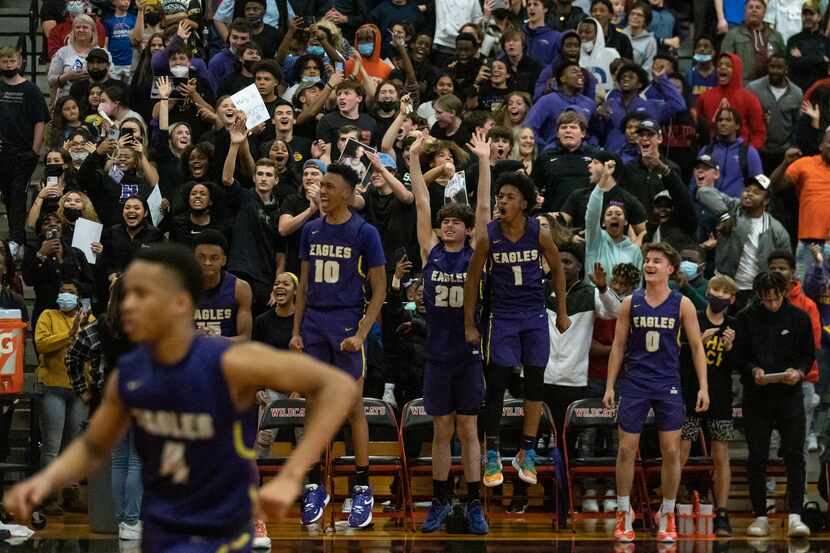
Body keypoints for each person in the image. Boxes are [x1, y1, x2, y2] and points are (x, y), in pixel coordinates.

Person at [4, 243, 360, 550]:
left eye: (143, 295)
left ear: (179, 302)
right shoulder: (129, 374)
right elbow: (93, 446)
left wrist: (292, 474)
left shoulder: (231, 360)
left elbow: (339, 387)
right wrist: (42, 483)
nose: (128, 305)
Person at [290, 163, 387, 529]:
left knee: (351, 406)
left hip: (346, 320)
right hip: (314, 320)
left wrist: (362, 333)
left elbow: (380, 289)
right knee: (311, 405)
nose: (322, 190)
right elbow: (302, 284)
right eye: (320, 185)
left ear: (347, 192)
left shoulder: (364, 232)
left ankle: (362, 486)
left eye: (329, 185)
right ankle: (316, 481)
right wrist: (297, 329)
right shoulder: (311, 230)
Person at [463, 171, 570, 489]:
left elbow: (559, 271)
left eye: (509, 196)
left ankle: (526, 450)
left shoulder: (538, 232)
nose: (502, 201)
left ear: (524, 203)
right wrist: (470, 324)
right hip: (502, 316)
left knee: (535, 383)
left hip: (535, 314)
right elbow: (472, 282)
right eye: (500, 196)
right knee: (496, 383)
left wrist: (562, 312)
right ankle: (493, 451)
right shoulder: (488, 235)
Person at [408, 130, 491, 534]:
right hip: (437, 353)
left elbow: (484, 207)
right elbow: (422, 200)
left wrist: (485, 161)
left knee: (469, 429)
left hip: (468, 352)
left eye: (457, 223)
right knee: (442, 429)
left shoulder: (476, 252)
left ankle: (475, 503)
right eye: (447, 224)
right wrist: (412, 159)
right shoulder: (431, 252)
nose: (450, 228)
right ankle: (439, 501)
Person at [603, 241, 710, 543]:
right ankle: (624, 512)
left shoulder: (682, 304)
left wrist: (703, 386)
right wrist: (611, 385)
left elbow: (697, 347)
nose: (650, 265)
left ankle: (668, 513)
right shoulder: (630, 302)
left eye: (657, 261)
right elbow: (618, 347)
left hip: (668, 382)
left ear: (670, 269)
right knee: (625, 448)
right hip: (635, 381)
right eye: (647, 260)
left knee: (672, 450)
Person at [734, 271, 814, 538]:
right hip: (757, 397)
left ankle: (795, 515)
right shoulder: (745, 318)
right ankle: (760, 515)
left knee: (794, 455)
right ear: (758, 295)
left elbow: (808, 356)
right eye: (766, 299)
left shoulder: (799, 318)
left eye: (776, 298)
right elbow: (739, 357)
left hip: (790, 395)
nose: (772, 303)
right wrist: (754, 370)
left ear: (784, 292)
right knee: (757, 456)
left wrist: (799, 373)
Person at [65, 277, 140, 539]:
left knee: (119, 461)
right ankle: (132, 520)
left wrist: (82, 389)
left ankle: (121, 521)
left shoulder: (100, 326)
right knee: (137, 460)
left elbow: (71, 355)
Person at [679, 274, 738, 537]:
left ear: (732, 298)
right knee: (680, 450)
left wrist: (730, 349)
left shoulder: (734, 326)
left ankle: (722, 512)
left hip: (721, 398)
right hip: (689, 394)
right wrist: (697, 343)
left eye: (724, 292)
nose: (718, 295)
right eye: (714, 289)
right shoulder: (694, 320)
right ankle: (673, 503)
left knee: (721, 454)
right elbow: (678, 358)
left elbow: (739, 367)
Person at [34, 279, 95, 516]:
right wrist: (68, 334)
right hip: (53, 387)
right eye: (62, 291)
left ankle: (71, 495)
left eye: (70, 292)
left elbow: (95, 349)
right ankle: (48, 497)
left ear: (78, 297)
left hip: (80, 389)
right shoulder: (47, 315)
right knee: (51, 446)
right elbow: (41, 344)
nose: (65, 295)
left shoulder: (89, 319)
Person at [696, 174, 792, 311]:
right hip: (725, 286)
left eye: (756, 192)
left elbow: (786, 263)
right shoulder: (733, 208)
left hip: (756, 291)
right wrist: (724, 216)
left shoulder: (776, 229)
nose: (749, 194)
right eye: (747, 190)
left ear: (766, 201)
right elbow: (703, 192)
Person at [0, 46, 49, 257]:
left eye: (12, 61)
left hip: (23, 153)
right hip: (2, 152)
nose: (9, 65)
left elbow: (40, 121)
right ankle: (13, 238)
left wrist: (34, 150)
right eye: (4, 61)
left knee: (17, 195)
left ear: (20, 62)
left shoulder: (31, 90)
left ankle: (17, 240)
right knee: (8, 196)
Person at [584, 151, 644, 277]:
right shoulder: (595, 241)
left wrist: (638, 243)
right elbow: (592, 213)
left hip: (626, 296)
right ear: (603, 223)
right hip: (594, 293)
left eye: (618, 213)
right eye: (609, 214)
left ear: (626, 221)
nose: (614, 216)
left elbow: (645, 230)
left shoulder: (634, 251)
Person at [696, 53, 767, 151]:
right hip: (712, 154)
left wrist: (747, 153)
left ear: (737, 70)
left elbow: (759, 133)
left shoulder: (750, 98)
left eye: (728, 65)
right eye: (720, 65)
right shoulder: (705, 97)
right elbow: (696, 126)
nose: (722, 67)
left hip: (740, 154)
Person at [193, 230, 254, 342]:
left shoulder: (240, 288)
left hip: (227, 354)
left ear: (224, 260)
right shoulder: (181, 287)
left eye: (214, 258)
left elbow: (245, 338)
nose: (207, 262)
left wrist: (215, 341)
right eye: (201, 257)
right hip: (192, 354)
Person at [721, 0, 785, 82]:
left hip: (769, 85)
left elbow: (784, 62)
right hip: (743, 86)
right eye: (750, 7)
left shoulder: (776, 36)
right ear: (745, 11)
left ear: (764, 12)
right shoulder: (733, 35)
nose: (754, 10)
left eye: (758, 7)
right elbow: (725, 63)